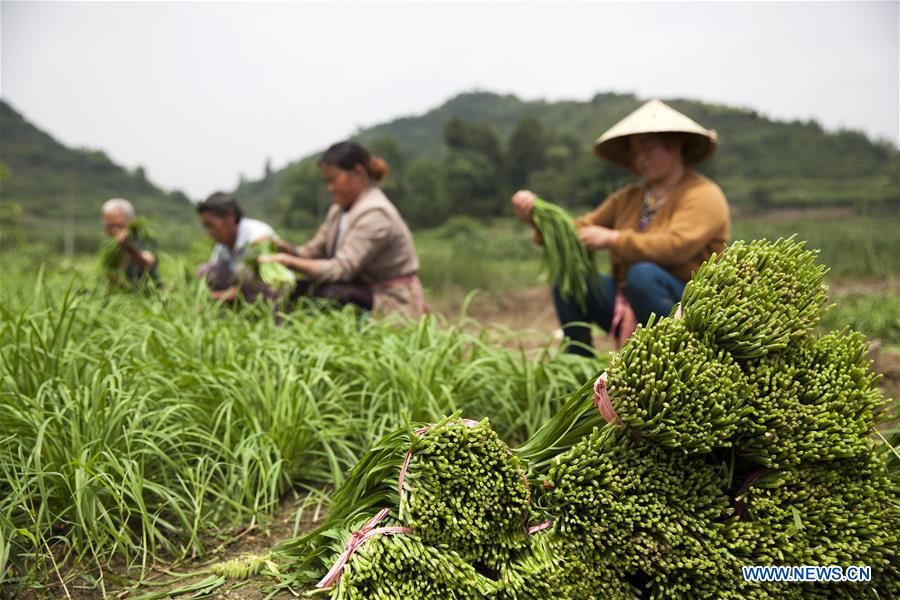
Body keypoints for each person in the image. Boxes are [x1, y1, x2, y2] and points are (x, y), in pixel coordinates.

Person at [511, 99, 730, 356]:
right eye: (635, 152)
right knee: (571, 280)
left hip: (687, 304)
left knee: (643, 275)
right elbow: (579, 229)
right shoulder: (628, 198)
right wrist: (538, 216)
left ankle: (674, 354)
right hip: (629, 302)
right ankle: (577, 360)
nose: (640, 159)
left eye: (647, 149)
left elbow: (675, 247)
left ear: (675, 146)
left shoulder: (703, 194)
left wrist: (613, 239)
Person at [260, 140, 426, 319]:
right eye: (326, 181)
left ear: (358, 173)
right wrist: (286, 249)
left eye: (333, 180)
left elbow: (343, 269)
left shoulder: (376, 213)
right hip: (358, 289)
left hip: (388, 297)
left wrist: (290, 262)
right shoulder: (338, 211)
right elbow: (314, 250)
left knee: (331, 293)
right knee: (299, 289)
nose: (330, 188)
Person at [196, 191, 281, 302]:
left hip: (271, 292)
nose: (209, 233)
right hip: (241, 288)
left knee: (243, 272)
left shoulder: (257, 236)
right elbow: (214, 270)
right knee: (205, 271)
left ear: (230, 218)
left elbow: (258, 282)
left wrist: (213, 297)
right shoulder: (223, 245)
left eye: (211, 226)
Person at [101, 198, 161, 289]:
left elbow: (149, 263)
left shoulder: (143, 239)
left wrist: (129, 248)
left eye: (119, 225)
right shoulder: (108, 249)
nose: (114, 230)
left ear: (131, 223)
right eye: (110, 226)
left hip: (149, 295)